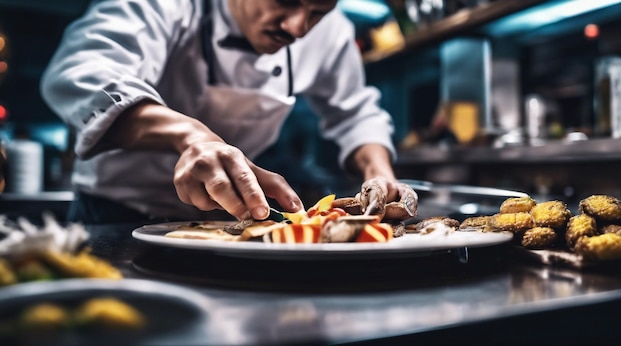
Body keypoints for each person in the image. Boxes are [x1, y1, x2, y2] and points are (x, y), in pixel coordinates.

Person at [40, 0, 417, 224]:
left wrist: (379, 176)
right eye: (285, 0)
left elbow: (355, 114)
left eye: (317, 11)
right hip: (115, 215)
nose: (298, 27)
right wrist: (192, 138)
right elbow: (82, 72)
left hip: (230, 221)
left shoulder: (331, 31)